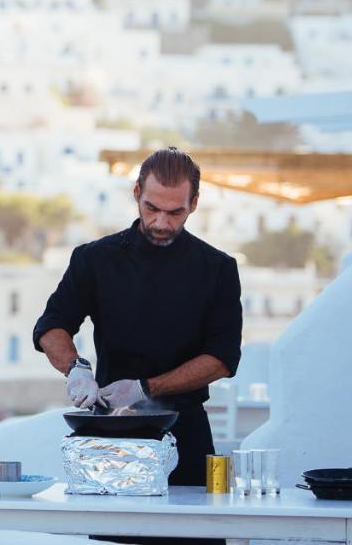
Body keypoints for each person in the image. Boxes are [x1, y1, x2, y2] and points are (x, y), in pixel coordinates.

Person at [33, 147, 242, 545]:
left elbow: (222, 358)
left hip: (186, 434)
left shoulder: (217, 268)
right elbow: (52, 326)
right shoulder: (94, 259)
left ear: (194, 204)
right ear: (136, 194)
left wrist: (146, 388)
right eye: (152, 208)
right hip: (111, 437)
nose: (161, 222)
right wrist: (76, 368)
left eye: (175, 212)